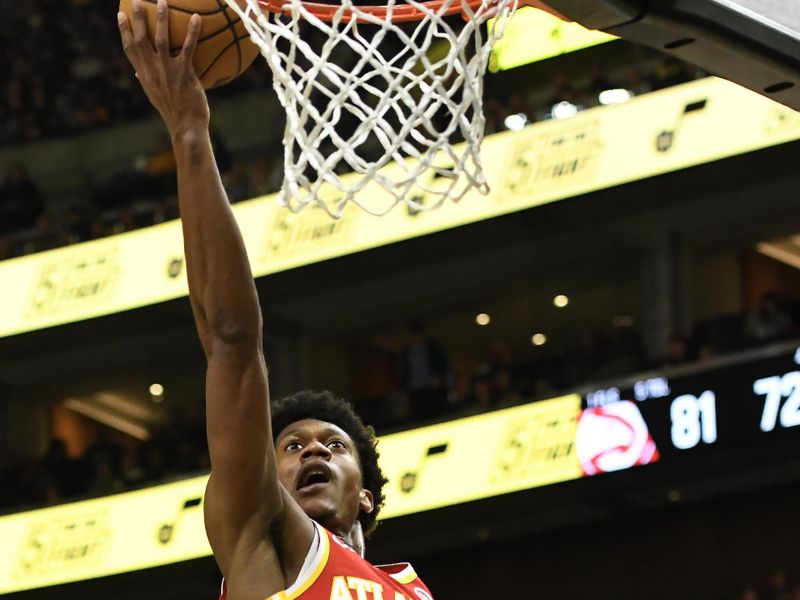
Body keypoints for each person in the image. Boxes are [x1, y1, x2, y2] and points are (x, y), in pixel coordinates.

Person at [117, 3, 434, 599]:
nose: (313, 448)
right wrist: (188, 131)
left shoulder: (413, 592)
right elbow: (232, 341)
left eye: (333, 446)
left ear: (365, 493)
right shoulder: (262, 539)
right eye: (290, 447)